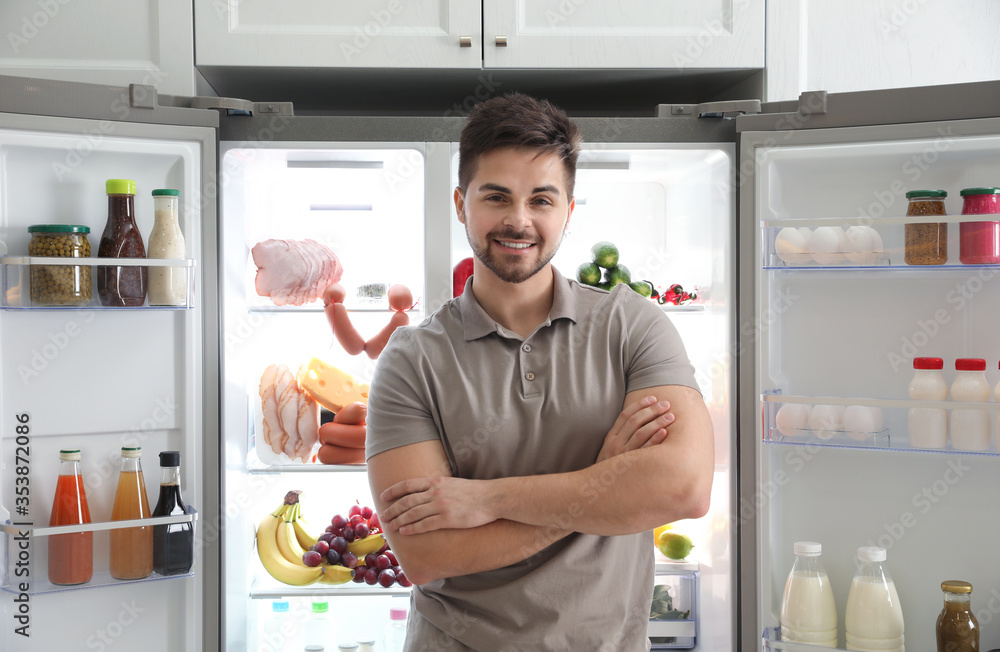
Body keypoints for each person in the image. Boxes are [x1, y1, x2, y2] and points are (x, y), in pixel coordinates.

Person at [365, 92, 714, 651]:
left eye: (542, 199)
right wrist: (604, 482)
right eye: (496, 196)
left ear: (569, 211)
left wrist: (486, 500)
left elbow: (685, 489)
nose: (518, 220)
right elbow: (425, 554)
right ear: (461, 204)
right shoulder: (412, 359)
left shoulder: (632, 326)